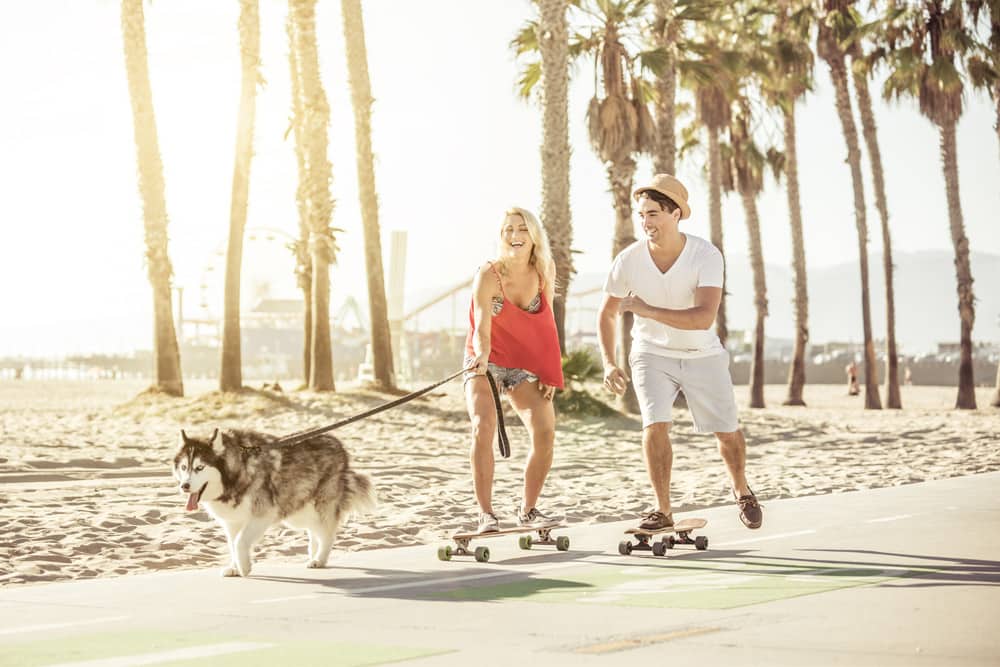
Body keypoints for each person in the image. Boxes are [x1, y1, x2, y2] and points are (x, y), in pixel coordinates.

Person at [597, 173, 763, 531]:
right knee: (655, 424)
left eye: (653, 213)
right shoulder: (628, 259)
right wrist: (609, 362)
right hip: (651, 355)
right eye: (642, 214)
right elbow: (608, 313)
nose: (646, 222)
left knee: (727, 431)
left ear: (676, 214)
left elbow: (704, 318)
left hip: (702, 353)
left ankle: (741, 489)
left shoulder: (705, 255)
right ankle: (662, 509)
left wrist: (647, 310)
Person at [463, 207, 565, 534]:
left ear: (534, 236)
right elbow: (481, 323)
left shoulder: (543, 270)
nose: (515, 235)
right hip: (485, 360)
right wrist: (482, 353)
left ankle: (528, 509)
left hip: (523, 364)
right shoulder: (489, 274)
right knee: (483, 426)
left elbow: (545, 324)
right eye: (508, 229)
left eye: (522, 229)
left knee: (545, 431)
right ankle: (486, 514)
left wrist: (549, 372)